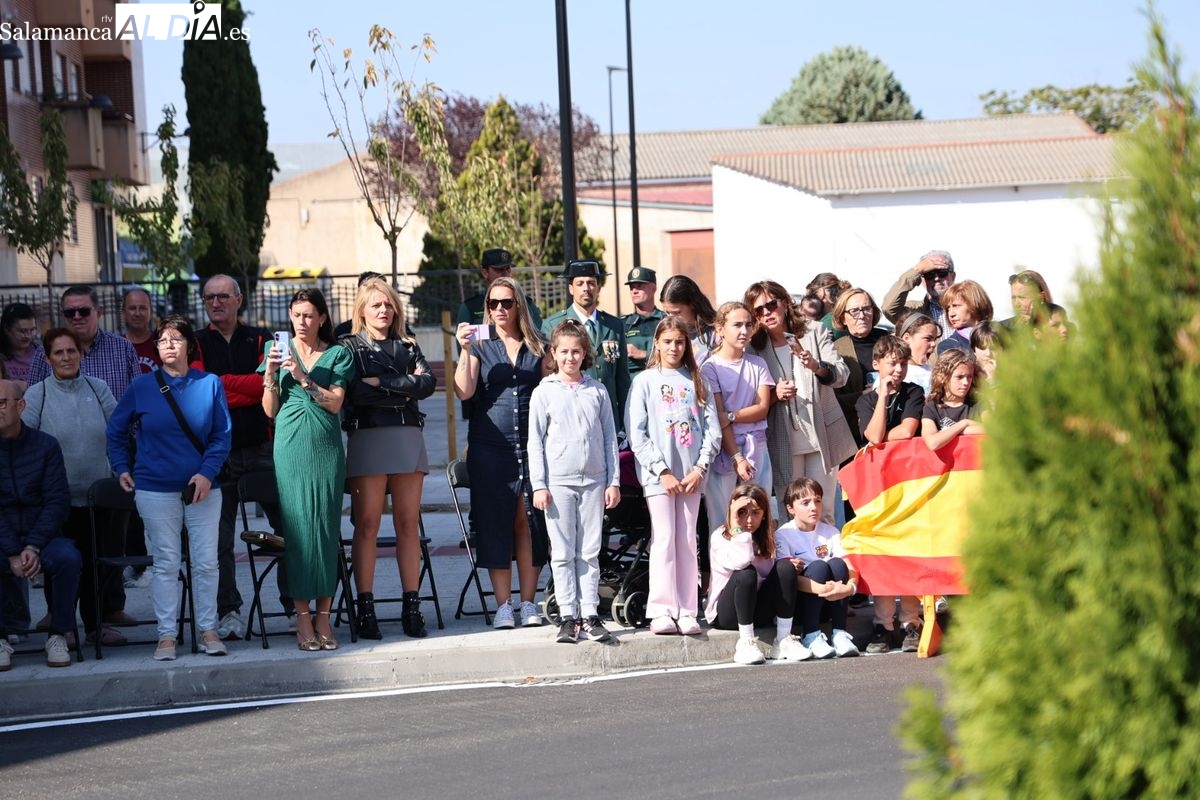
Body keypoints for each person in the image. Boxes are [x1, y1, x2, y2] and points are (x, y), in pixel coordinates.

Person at [107, 316, 233, 661]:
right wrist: (121, 466)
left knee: (206, 563)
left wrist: (206, 474)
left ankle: (208, 630)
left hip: (203, 488)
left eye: (176, 339)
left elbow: (222, 436)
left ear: (190, 346)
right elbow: (115, 430)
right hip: (154, 488)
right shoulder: (141, 386)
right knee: (165, 563)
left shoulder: (209, 383)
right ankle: (166, 635)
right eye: (162, 340)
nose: (169, 345)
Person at [259, 289, 356, 652]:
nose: (302, 322)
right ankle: (302, 616)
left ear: (322, 318)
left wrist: (301, 376)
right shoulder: (275, 351)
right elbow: (269, 410)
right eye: (296, 314)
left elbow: (334, 404)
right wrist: (271, 372)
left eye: (309, 315)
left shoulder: (338, 354)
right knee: (297, 531)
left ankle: (324, 616)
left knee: (326, 530)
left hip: (326, 448)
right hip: (290, 447)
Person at [340, 277, 436, 640]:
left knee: (408, 525)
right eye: (376, 305)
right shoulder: (349, 347)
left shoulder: (408, 344)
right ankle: (366, 610)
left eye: (388, 304)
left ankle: (412, 607)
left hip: (407, 435)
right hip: (368, 436)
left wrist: (383, 383)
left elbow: (427, 385)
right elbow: (357, 393)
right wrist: (403, 388)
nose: (383, 310)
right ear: (362, 310)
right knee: (366, 525)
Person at [453, 278, 549, 630]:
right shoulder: (480, 345)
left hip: (532, 445)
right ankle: (503, 605)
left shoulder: (538, 345)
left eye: (506, 302)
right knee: (496, 523)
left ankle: (528, 602)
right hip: (489, 447)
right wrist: (464, 351)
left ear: (518, 304)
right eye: (493, 304)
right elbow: (464, 391)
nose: (499, 309)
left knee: (529, 522)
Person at [193, 273, 284, 642]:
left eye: (223, 297)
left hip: (263, 449)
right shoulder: (195, 342)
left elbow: (272, 386)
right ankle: (228, 610)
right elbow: (203, 391)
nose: (216, 303)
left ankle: (294, 604)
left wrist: (224, 382)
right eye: (209, 298)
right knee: (219, 541)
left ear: (239, 299)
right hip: (217, 454)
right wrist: (248, 385)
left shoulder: (262, 339)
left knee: (288, 529)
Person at [22, 329, 121, 647]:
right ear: (48, 358)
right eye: (58, 352)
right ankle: (62, 626)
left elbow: (117, 432)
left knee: (96, 563)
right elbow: (26, 443)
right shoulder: (37, 394)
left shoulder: (98, 387)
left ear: (81, 353)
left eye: (71, 351)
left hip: (97, 498)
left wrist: (119, 470)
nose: (66, 357)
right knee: (61, 565)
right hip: (55, 501)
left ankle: (95, 625)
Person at [626, 315, 720, 636]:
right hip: (660, 477)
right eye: (667, 342)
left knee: (688, 540)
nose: (674, 348)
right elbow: (637, 433)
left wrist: (700, 467)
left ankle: (687, 609)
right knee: (664, 539)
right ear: (657, 343)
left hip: (692, 475)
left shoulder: (697, 380)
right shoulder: (645, 381)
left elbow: (712, 430)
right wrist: (661, 470)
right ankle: (662, 609)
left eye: (679, 342)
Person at [529, 320, 621, 645]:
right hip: (558, 484)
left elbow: (609, 438)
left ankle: (590, 614)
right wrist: (539, 484)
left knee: (590, 550)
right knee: (563, 551)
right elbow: (535, 442)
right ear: (554, 354)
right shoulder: (544, 392)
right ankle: (568, 615)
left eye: (576, 351)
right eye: (564, 351)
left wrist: (613, 481)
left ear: (585, 354)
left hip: (594, 481)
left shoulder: (597, 391)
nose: (570, 357)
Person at [745, 280, 854, 524]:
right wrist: (775, 394)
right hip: (782, 439)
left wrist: (816, 366)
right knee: (790, 515)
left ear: (785, 303)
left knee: (823, 511)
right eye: (758, 310)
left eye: (771, 305)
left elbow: (841, 375)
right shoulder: (754, 348)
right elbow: (751, 398)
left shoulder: (814, 331)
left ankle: (826, 551)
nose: (766, 313)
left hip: (821, 434)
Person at [0, 379, 80, 670]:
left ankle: (58, 634)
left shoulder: (45, 445)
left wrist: (33, 545)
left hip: (42, 537)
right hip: (4, 539)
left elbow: (57, 501)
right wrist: (12, 551)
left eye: (2, 403)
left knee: (68, 558)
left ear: (21, 406)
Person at [854, 335, 925, 654]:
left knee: (908, 550)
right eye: (892, 363)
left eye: (903, 364)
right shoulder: (865, 401)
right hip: (877, 486)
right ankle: (884, 624)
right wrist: (881, 396)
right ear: (877, 364)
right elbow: (872, 435)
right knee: (881, 552)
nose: (898, 370)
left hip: (909, 482)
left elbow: (907, 431)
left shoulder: (914, 392)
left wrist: (882, 436)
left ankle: (911, 620)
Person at [705, 483, 810, 664]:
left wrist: (790, 565)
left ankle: (783, 639)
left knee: (785, 567)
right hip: (728, 614)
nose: (749, 519)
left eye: (755, 513)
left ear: (764, 514)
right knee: (746, 573)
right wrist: (737, 528)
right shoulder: (720, 536)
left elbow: (776, 574)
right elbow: (741, 562)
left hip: (759, 609)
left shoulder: (768, 537)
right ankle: (746, 642)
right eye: (742, 512)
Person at [701, 301, 775, 531]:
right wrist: (736, 457)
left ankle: (758, 554)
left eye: (748, 325)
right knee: (722, 519)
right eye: (737, 325)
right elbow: (717, 419)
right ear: (720, 329)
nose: (744, 331)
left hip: (756, 446)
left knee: (759, 513)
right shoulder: (710, 367)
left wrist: (731, 416)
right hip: (724, 450)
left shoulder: (758, 363)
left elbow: (762, 408)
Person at [775, 478, 860, 658]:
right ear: (790, 508)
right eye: (805, 503)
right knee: (819, 566)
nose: (814, 507)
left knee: (837, 563)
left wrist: (849, 588)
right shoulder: (783, 534)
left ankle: (839, 633)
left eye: (818, 501)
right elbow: (787, 578)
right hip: (801, 607)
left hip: (829, 601)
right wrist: (824, 589)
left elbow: (849, 566)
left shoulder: (831, 532)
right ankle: (811, 635)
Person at [541, 260, 631, 430]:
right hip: (571, 417)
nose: (586, 288)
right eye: (580, 283)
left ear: (598, 287)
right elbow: (548, 376)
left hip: (608, 419)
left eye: (591, 283)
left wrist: (625, 425)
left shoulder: (614, 325)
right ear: (571, 288)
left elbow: (622, 379)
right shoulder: (553, 325)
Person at [29, 285, 139, 401]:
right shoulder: (44, 352)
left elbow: (139, 396)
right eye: (70, 312)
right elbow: (32, 402)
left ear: (99, 312)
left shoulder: (123, 348)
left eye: (84, 311)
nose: (77, 317)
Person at [831, 288, 889, 446]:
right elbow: (834, 401)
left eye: (866, 309)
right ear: (843, 318)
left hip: (893, 426)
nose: (862, 315)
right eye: (854, 311)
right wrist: (865, 394)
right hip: (855, 432)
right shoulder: (836, 350)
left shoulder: (890, 340)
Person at [455, 249, 543, 334]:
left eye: (508, 268)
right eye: (499, 269)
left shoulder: (527, 304)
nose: (505, 274)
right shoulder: (470, 308)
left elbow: (539, 337)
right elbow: (463, 342)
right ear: (485, 272)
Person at [881, 250, 957, 342]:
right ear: (922, 280)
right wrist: (917, 270)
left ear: (953, 276)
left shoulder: (968, 306)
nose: (936, 278)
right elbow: (889, 309)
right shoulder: (915, 312)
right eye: (929, 274)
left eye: (942, 272)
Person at [922, 349, 985, 451]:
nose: (966, 382)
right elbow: (933, 443)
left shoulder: (978, 404)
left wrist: (948, 433)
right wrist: (963, 424)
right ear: (942, 377)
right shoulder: (931, 408)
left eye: (969, 377)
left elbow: (993, 429)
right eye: (959, 377)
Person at [658, 275, 717, 364]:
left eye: (677, 313)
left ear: (693, 304)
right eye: (667, 312)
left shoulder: (716, 332)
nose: (671, 318)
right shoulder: (665, 330)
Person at [621, 266, 665, 377]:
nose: (634, 291)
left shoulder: (666, 321)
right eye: (631, 287)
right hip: (632, 384)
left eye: (639, 286)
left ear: (653, 288)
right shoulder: (622, 324)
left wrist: (643, 354)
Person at [936, 280, 994, 356]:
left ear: (974, 304)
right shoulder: (949, 346)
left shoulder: (1001, 334)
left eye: (956, 306)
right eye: (948, 308)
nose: (951, 314)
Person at [897, 311, 942, 395]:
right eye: (928, 339)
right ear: (907, 338)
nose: (933, 344)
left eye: (934, 339)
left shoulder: (935, 373)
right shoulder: (895, 373)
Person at [0, 302, 41, 385]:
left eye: (32, 330)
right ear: (7, 329)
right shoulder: (2, 358)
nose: (28, 336)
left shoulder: (40, 353)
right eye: (22, 331)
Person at [121, 287, 160, 374]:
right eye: (132, 308)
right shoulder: (116, 347)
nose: (137, 313)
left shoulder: (162, 344)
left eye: (142, 308)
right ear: (124, 312)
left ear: (151, 311)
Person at [806, 273, 851, 338]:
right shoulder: (842, 316)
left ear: (821, 292)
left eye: (813, 293)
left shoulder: (827, 323)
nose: (811, 298)